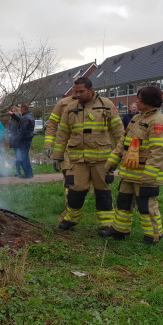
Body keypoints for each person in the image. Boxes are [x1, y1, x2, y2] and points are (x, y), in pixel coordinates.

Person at [101, 85, 163, 244]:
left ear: (150, 102)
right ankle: (119, 230)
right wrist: (110, 165)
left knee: (146, 207)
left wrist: (150, 176)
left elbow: (158, 151)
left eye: (139, 100)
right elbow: (122, 145)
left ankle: (153, 236)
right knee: (123, 202)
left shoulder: (159, 122)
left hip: (145, 175)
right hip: (129, 174)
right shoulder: (137, 119)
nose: (136, 103)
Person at [53, 77, 124, 230]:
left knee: (102, 191)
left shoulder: (106, 105)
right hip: (78, 160)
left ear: (91, 90)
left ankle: (106, 224)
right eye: (75, 91)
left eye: (81, 91)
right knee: (75, 190)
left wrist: (122, 154)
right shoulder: (70, 108)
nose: (77, 94)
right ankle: (71, 218)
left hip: (101, 160)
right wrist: (57, 155)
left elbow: (119, 132)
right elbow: (63, 134)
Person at [43, 95, 76, 193]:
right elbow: (52, 124)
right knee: (69, 178)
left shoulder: (93, 103)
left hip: (86, 150)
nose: (77, 93)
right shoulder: (62, 103)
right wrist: (48, 145)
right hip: (65, 148)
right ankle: (70, 204)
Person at [11, 104, 35, 178]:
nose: (20, 110)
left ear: (23, 109)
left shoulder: (25, 117)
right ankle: (30, 173)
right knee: (25, 156)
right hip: (29, 139)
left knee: (24, 156)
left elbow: (23, 131)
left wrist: (16, 139)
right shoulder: (30, 115)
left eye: (20, 108)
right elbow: (21, 120)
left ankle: (28, 174)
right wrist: (13, 115)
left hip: (25, 140)